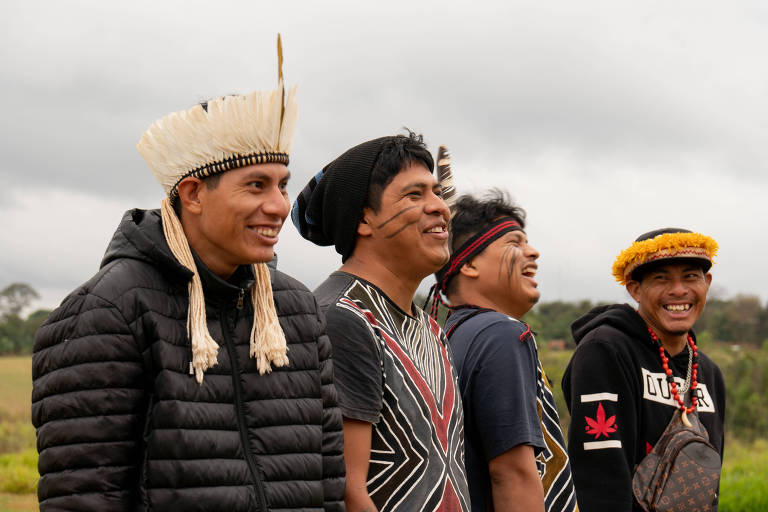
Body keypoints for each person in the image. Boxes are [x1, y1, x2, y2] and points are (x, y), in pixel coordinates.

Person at [31, 42, 345, 511]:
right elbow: (84, 497)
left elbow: (329, 485)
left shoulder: (296, 311)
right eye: (256, 185)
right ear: (193, 193)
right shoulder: (107, 313)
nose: (279, 205)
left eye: (282, 184)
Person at [292, 133, 470, 511]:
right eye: (415, 195)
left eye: (437, 193)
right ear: (363, 219)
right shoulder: (344, 318)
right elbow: (347, 490)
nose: (440, 208)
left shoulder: (429, 328)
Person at [562, 228, 726, 511]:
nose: (678, 290)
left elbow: (708, 485)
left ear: (707, 283)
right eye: (661, 278)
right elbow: (600, 478)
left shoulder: (708, 372)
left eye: (690, 276)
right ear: (634, 288)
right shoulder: (604, 352)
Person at [433, 191, 577, 512]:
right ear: (469, 264)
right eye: (515, 242)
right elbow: (513, 473)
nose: (533, 252)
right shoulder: (501, 334)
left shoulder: (451, 335)